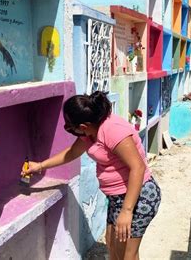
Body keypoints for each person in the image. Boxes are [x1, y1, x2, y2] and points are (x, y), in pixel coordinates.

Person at [21, 91, 161, 260]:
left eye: (70, 127)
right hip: (118, 198)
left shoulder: (112, 131)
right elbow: (72, 153)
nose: (69, 130)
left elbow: (137, 167)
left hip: (139, 197)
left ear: (84, 126)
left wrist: (127, 211)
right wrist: (41, 166)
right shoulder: (91, 132)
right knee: (112, 246)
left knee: (127, 255)